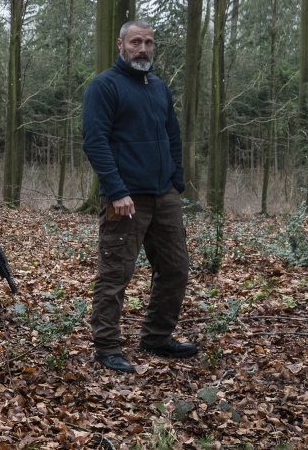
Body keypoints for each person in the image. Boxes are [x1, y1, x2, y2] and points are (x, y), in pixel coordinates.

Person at [82, 19, 197, 374]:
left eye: (148, 42)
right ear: (121, 44)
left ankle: (157, 337)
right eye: (136, 42)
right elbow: (95, 141)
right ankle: (107, 347)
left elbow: (172, 136)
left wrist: (176, 180)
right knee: (115, 273)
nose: (143, 49)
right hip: (125, 198)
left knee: (175, 268)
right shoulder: (104, 86)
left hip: (164, 195)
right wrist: (117, 190)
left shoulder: (159, 87)